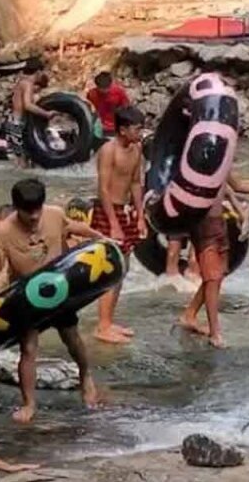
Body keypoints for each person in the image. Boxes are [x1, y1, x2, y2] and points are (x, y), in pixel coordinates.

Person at [0, 178, 105, 422]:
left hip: (59, 287)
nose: (34, 217)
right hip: (26, 296)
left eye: (37, 210)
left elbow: (74, 227)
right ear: (17, 208)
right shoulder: (3, 232)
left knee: (72, 338)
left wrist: (101, 239)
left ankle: (85, 376)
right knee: (28, 348)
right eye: (28, 212)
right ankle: (29, 404)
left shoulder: (54, 215)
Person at [179, 171, 249, 348]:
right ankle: (215, 333)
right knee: (212, 277)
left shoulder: (220, 163)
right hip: (204, 227)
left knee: (218, 274)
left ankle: (189, 314)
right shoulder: (196, 167)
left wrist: (242, 213)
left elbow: (231, 188)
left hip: (219, 225)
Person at [92, 106, 145, 344]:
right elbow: (102, 189)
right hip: (107, 211)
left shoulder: (137, 149)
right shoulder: (108, 150)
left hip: (125, 210)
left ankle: (108, 321)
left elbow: (135, 183)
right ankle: (101, 326)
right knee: (111, 268)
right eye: (137, 128)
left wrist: (140, 215)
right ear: (123, 130)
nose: (141, 132)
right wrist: (113, 224)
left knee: (123, 269)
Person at [4, 58, 53, 167]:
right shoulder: (27, 83)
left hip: (14, 123)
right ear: (38, 71)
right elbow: (28, 105)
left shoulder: (22, 82)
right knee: (21, 163)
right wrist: (46, 114)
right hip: (17, 124)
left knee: (24, 161)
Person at [85, 71, 130, 136]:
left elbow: (126, 107)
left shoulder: (119, 92)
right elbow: (89, 109)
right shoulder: (91, 94)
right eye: (101, 88)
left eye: (106, 88)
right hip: (99, 127)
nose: (104, 91)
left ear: (110, 84)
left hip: (115, 127)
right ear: (97, 86)